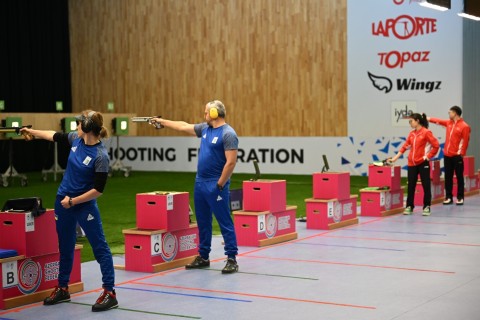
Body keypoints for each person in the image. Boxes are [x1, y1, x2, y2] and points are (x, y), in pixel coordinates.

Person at [20, 110, 118, 312]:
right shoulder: (76, 139)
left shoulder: (100, 156)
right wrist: (31, 131)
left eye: (79, 124)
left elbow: (98, 190)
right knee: (65, 247)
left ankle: (110, 292)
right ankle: (63, 288)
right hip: (62, 202)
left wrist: (73, 201)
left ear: (88, 128)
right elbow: (52, 135)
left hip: (82, 205)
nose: (76, 126)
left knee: (100, 247)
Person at [149, 100, 239, 274]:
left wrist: (220, 184)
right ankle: (203, 256)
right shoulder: (205, 129)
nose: (204, 114)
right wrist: (162, 122)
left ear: (213, 113)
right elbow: (183, 126)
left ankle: (232, 258)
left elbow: (231, 162)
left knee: (224, 222)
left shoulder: (228, 134)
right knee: (203, 222)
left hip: (216, 184)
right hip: (200, 183)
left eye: (206, 112)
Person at [389, 113, 439, 216]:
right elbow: (404, 147)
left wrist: (427, 157)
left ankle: (426, 207)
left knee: (426, 185)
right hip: (411, 163)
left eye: (411, 121)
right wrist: (394, 159)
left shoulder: (426, 132)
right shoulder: (411, 134)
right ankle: (409, 206)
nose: (410, 123)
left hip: (423, 163)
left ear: (417, 121)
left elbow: (436, 146)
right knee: (411, 185)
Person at [426, 106, 471, 205]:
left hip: (457, 156)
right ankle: (449, 197)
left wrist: (461, 154)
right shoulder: (449, 123)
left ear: (455, 113)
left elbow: (465, 142)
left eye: (450, 112)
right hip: (447, 155)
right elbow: (438, 121)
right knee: (448, 177)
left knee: (459, 177)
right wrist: (427, 118)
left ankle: (460, 197)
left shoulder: (465, 126)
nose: (448, 114)